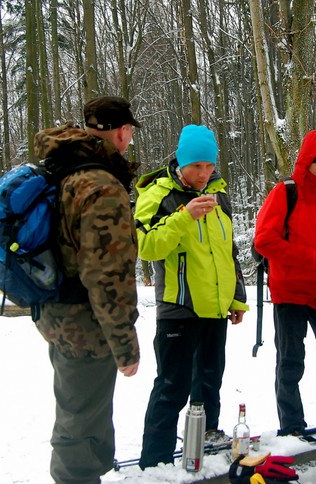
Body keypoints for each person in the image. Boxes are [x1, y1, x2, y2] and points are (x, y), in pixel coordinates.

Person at [32, 96, 141, 484]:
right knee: (82, 429)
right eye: (129, 130)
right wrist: (124, 345)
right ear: (122, 131)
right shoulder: (101, 186)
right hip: (87, 327)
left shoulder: (65, 169)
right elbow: (106, 276)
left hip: (58, 314)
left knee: (77, 415)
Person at [135, 124, 249, 469]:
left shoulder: (220, 194)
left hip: (215, 306)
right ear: (181, 163)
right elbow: (147, 246)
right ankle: (155, 458)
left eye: (209, 165)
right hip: (178, 307)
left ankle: (208, 433)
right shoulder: (158, 194)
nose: (203, 173)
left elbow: (227, 251)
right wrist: (183, 217)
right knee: (172, 386)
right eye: (196, 166)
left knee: (210, 378)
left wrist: (237, 298)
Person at [253, 129, 316, 436]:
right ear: (307, 162)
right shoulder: (285, 192)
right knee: (290, 365)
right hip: (290, 294)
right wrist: (312, 258)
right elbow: (264, 241)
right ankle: (293, 430)